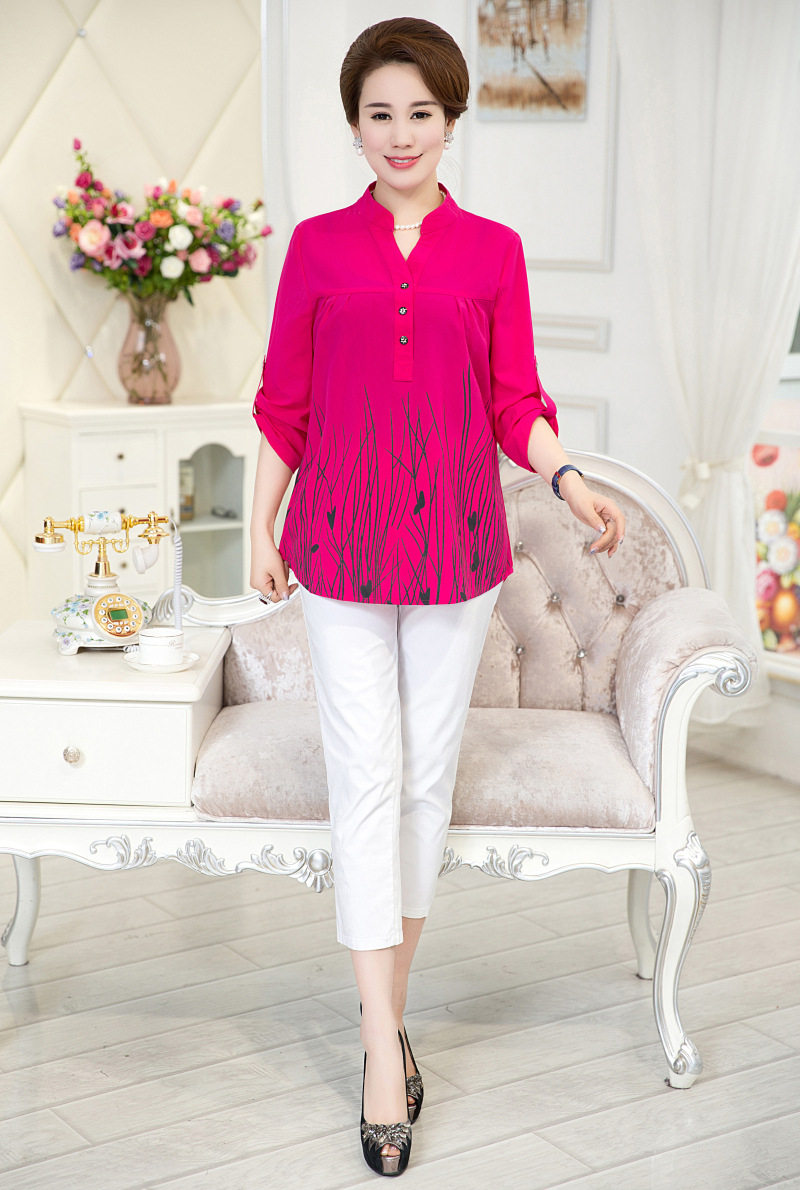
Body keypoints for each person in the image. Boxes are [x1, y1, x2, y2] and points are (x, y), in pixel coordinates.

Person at [249, 16, 625, 1178]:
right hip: (338, 545)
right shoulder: (316, 247)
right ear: (354, 125)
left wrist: (566, 474)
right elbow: (282, 402)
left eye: (420, 112)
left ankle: (386, 1017)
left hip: (457, 547)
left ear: (450, 120)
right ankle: (381, 1048)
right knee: (365, 773)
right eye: (379, 114)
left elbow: (513, 399)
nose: (400, 133)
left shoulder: (492, 251)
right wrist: (260, 524)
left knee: (419, 780)